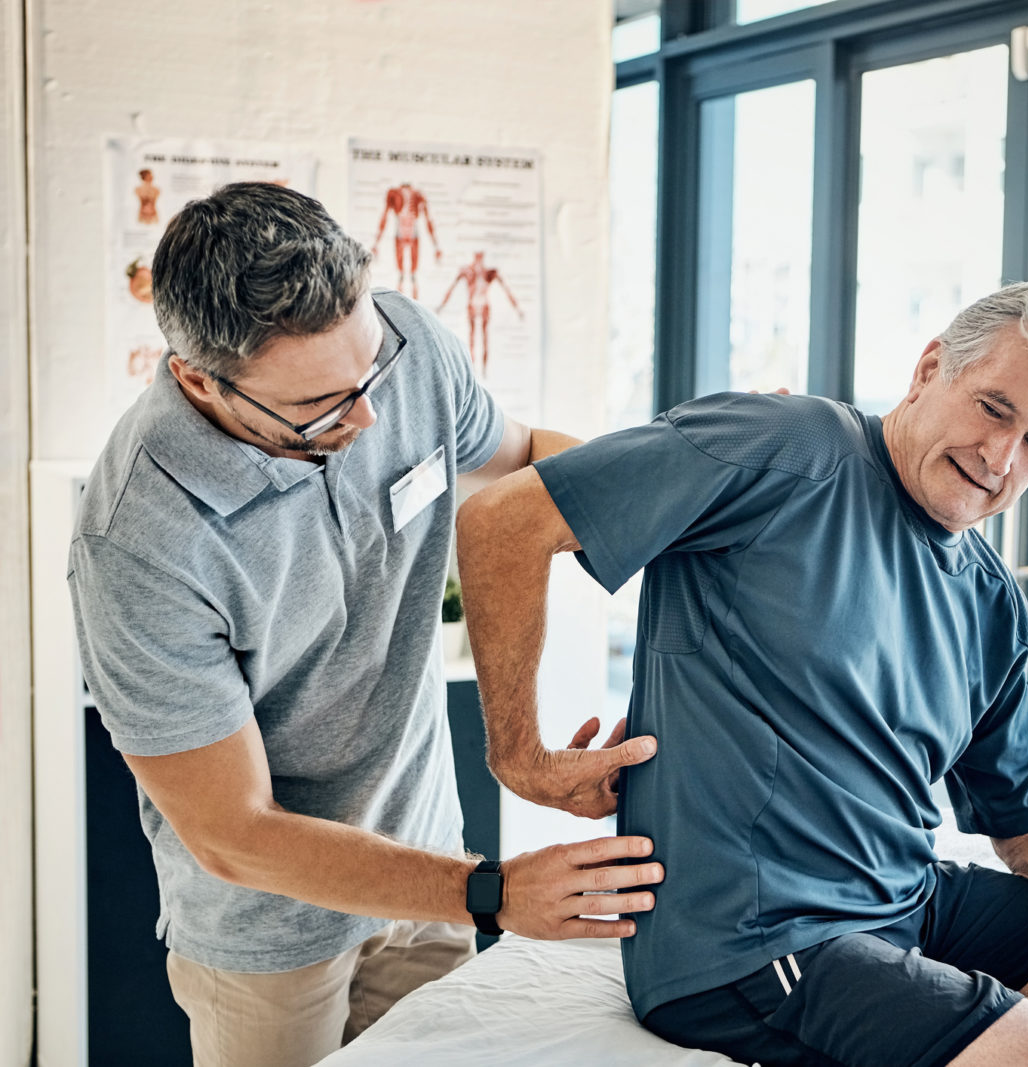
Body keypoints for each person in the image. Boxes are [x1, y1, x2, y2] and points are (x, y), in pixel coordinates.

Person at [456, 282, 1028, 1067]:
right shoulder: (781, 442)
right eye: (994, 408)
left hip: (905, 896)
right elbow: (504, 520)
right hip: (753, 937)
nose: (1000, 456)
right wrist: (520, 756)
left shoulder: (986, 594)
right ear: (928, 369)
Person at [67, 182, 660, 1067]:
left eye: (370, 370)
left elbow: (529, 461)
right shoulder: (141, 540)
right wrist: (492, 891)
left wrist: (687, 502)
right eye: (322, 406)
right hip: (269, 930)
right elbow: (237, 833)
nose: (373, 416)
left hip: (428, 865)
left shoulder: (403, 349)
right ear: (199, 378)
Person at [438, 250, 523, 377]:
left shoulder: (489, 273)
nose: (478, 259)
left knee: (484, 338)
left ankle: (484, 372)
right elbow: (452, 288)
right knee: (472, 338)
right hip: (472, 305)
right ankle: (473, 372)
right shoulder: (467, 272)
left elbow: (506, 289)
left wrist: (517, 308)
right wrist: (441, 306)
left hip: (483, 306)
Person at [372, 180, 442, 299]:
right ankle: (401, 298)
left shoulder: (419, 195)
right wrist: (376, 243)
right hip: (401, 232)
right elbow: (385, 215)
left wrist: (436, 246)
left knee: (412, 273)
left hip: (412, 233)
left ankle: (414, 301)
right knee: (402, 274)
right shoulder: (394, 193)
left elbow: (427, 219)